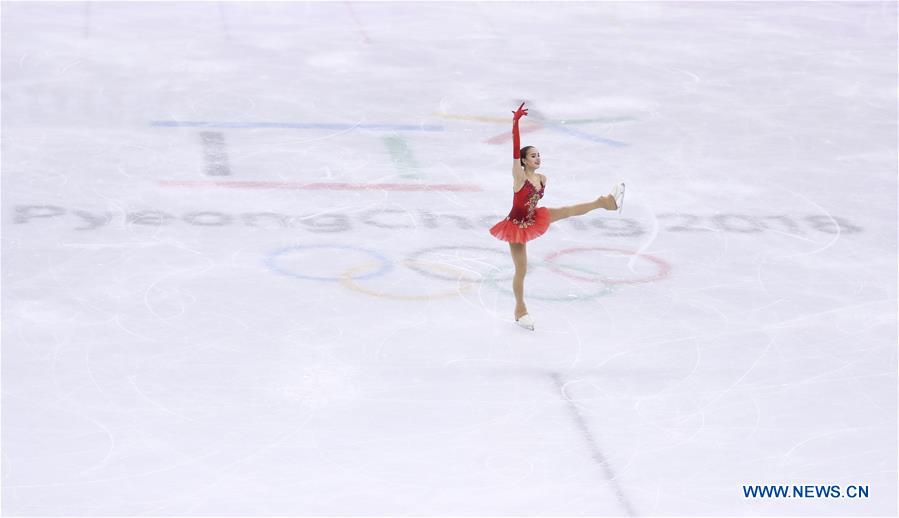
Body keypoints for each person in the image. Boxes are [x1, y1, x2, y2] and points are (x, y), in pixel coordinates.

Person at [489, 102, 625, 330]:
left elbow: (536, 198)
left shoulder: (542, 178)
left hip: (533, 217)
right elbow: (514, 150)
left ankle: (606, 203)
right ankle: (520, 309)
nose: (537, 158)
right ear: (523, 161)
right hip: (516, 225)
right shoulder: (519, 178)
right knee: (521, 269)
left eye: (539, 155)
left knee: (569, 210)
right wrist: (515, 124)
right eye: (533, 156)